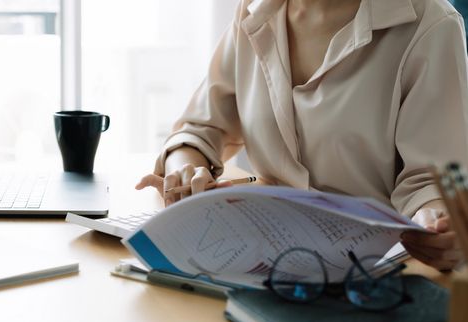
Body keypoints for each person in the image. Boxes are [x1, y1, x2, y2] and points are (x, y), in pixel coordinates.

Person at [136, 0, 468, 271]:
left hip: (371, 277)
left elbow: (430, 181)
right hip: (259, 256)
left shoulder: (431, 26)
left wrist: (437, 223)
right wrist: (186, 166)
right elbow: (201, 126)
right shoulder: (255, 9)